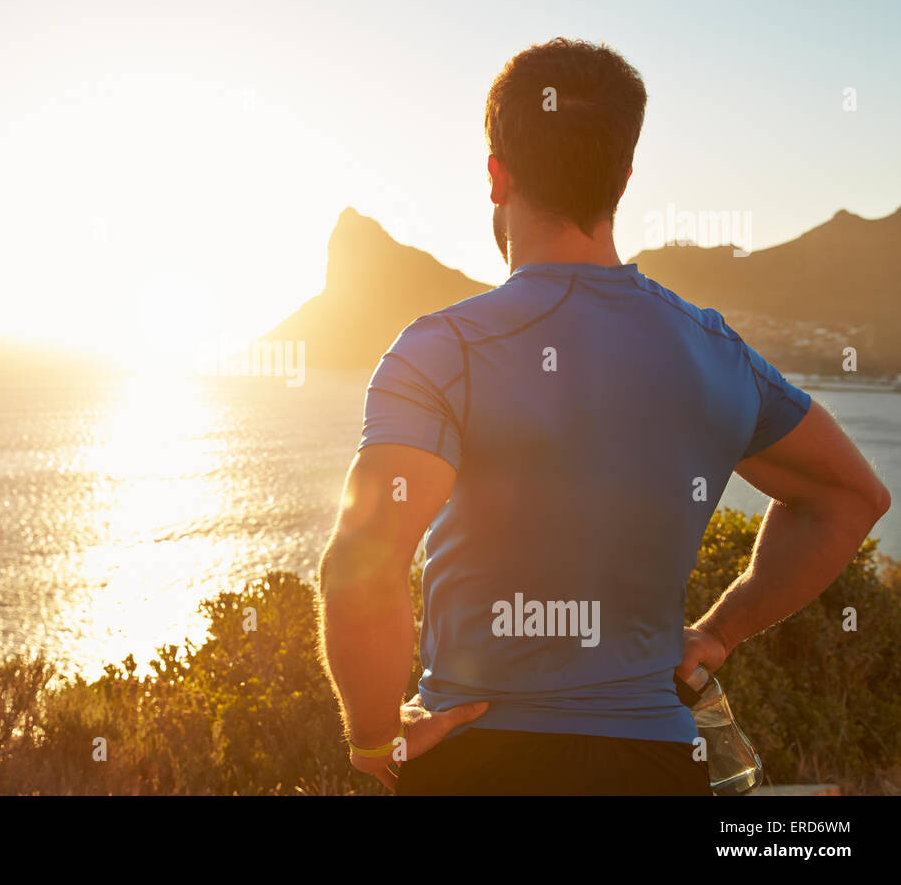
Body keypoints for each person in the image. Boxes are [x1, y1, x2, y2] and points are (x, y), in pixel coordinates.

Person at [315, 38, 891, 795]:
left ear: (496, 174)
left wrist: (375, 739)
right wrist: (721, 631)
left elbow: (361, 570)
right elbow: (853, 498)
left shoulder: (442, 349)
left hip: (479, 757)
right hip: (656, 763)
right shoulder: (716, 350)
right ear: (623, 176)